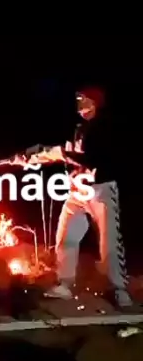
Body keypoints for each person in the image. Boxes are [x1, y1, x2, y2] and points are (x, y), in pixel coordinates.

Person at [14, 87, 132, 308]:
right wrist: (32, 157)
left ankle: (119, 289)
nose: (79, 104)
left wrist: (52, 154)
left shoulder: (107, 128)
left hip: (101, 189)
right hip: (77, 189)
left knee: (109, 242)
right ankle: (65, 284)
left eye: (83, 99)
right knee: (66, 235)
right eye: (78, 99)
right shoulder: (79, 128)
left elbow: (86, 157)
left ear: (95, 103)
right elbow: (66, 152)